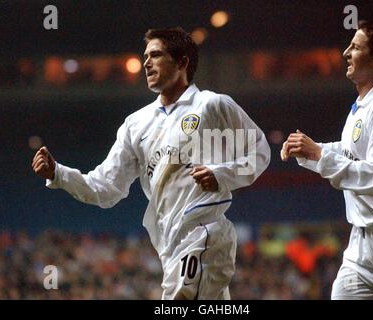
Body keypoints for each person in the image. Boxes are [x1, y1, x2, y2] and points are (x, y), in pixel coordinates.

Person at [32, 27, 271, 300]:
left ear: (182, 62)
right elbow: (105, 188)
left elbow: (259, 152)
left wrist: (222, 175)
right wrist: (58, 173)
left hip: (204, 235)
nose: (146, 62)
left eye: (156, 55)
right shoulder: (136, 124)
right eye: (145, 56)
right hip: (168, 246)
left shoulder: (212, 105)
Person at [281, 20, 373, 299]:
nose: (346, 52)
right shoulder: (362, 106)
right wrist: (310, 152)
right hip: (361, 239)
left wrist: (318, 154)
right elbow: (350, 152)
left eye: (356, 47)